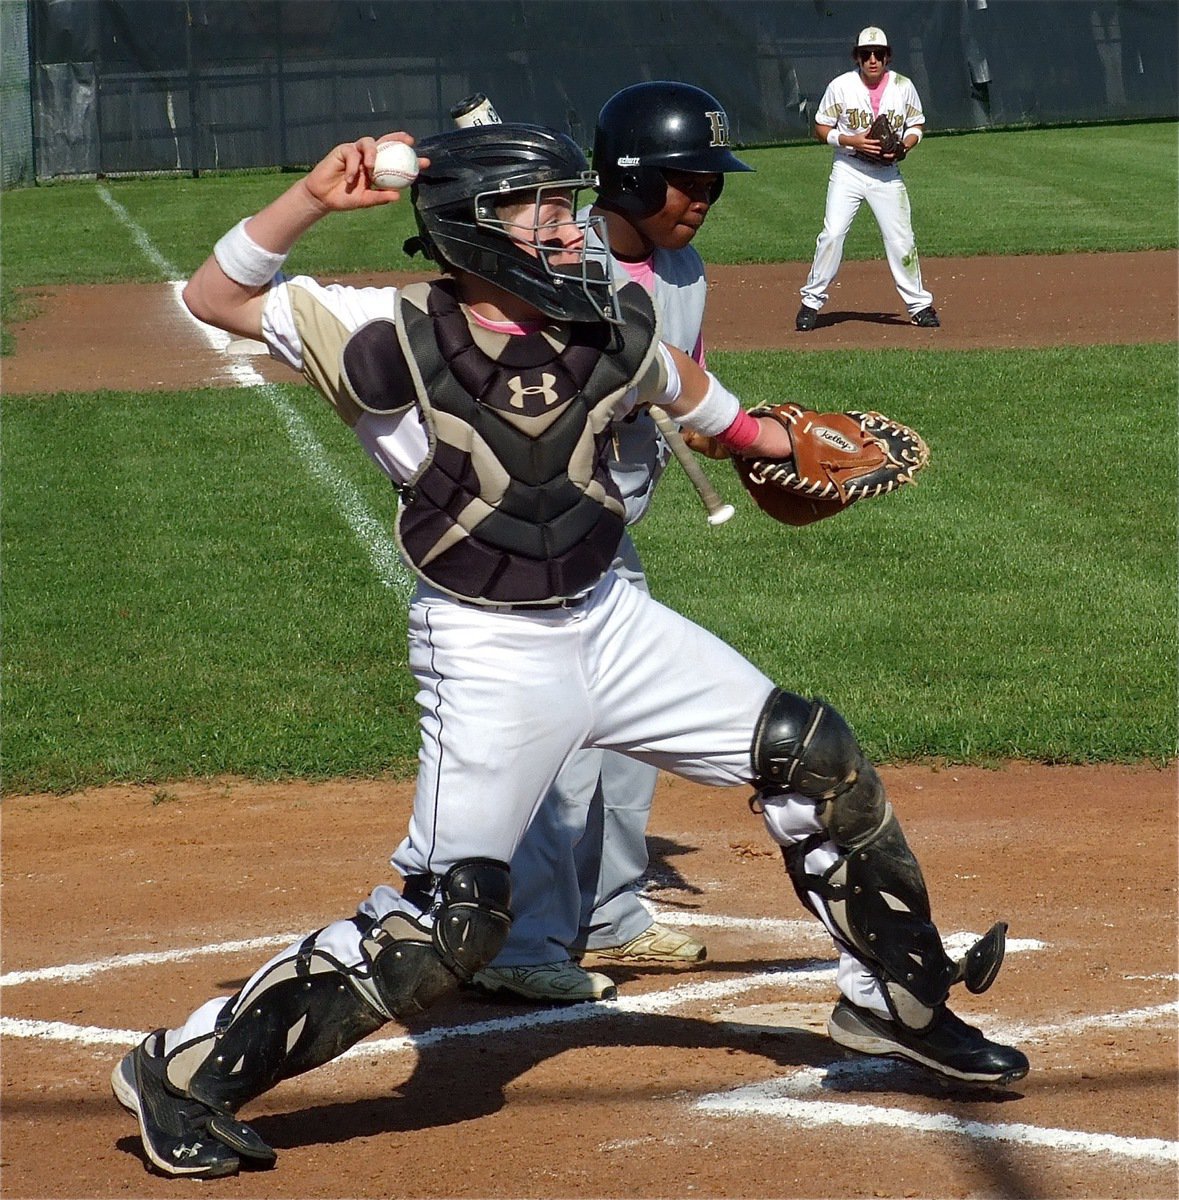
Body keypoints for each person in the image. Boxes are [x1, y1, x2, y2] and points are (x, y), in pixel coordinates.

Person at [110, 121, 1027, 1180]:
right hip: (488, 649)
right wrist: (311, 198)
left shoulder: (611, 319)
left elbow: (705, 406)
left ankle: (896, 1004)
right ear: (471, 225)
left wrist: (783, 441)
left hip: (614, 623)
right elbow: (214, 299)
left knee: (813, 755)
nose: (564, 225)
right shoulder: (378, 333)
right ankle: (181, 1072)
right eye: (537, 207)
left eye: (564, 203)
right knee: (446, 926)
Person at [473, 81, 752, 1004]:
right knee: (559, 749)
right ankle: (518, 944)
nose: (701, 196)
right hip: (533, 533)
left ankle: (611, 914)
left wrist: (745, 440)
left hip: (607, 534)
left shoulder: (684, 271)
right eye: (684, 180)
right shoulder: (552, 257)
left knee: (629, 734)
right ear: (628, 181)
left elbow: (687, 388)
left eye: (711, 179)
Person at [795, 25, 940, 332]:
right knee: (832, 234)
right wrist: (852, 141)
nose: (872, 60)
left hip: (887, 175)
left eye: (878, 54)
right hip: (848, 169)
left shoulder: (903, 86)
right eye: (865, 54)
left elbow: (917, 125)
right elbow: (820, 129)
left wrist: (904, 147)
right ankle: (811, 302)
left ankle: (919, 306)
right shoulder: (841, 86)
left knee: (902, 239)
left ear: (887, 57)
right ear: (856, 57)